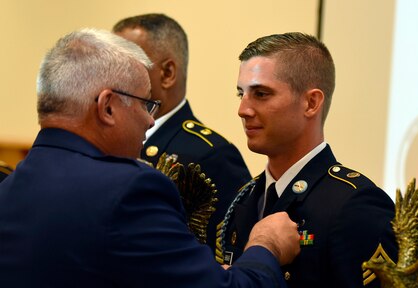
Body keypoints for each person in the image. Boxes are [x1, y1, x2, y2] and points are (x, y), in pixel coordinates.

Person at [0, 28, 300, 288]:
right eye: (146, 105)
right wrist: (265, 246)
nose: (148, 121)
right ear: (107, 107)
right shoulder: (128, 192)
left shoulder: (10, 187)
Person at [220, 32, 398, 287]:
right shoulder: (246, 199)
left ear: (311, 103)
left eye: (261, 94)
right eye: (241, 94)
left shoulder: (354, 204)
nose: (243, 110)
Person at [112, 14, 252, 256]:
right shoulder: (110, 138)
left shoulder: (211, 155)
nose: (109, 76)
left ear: (167, 73)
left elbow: (225, 258)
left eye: (123, 64)